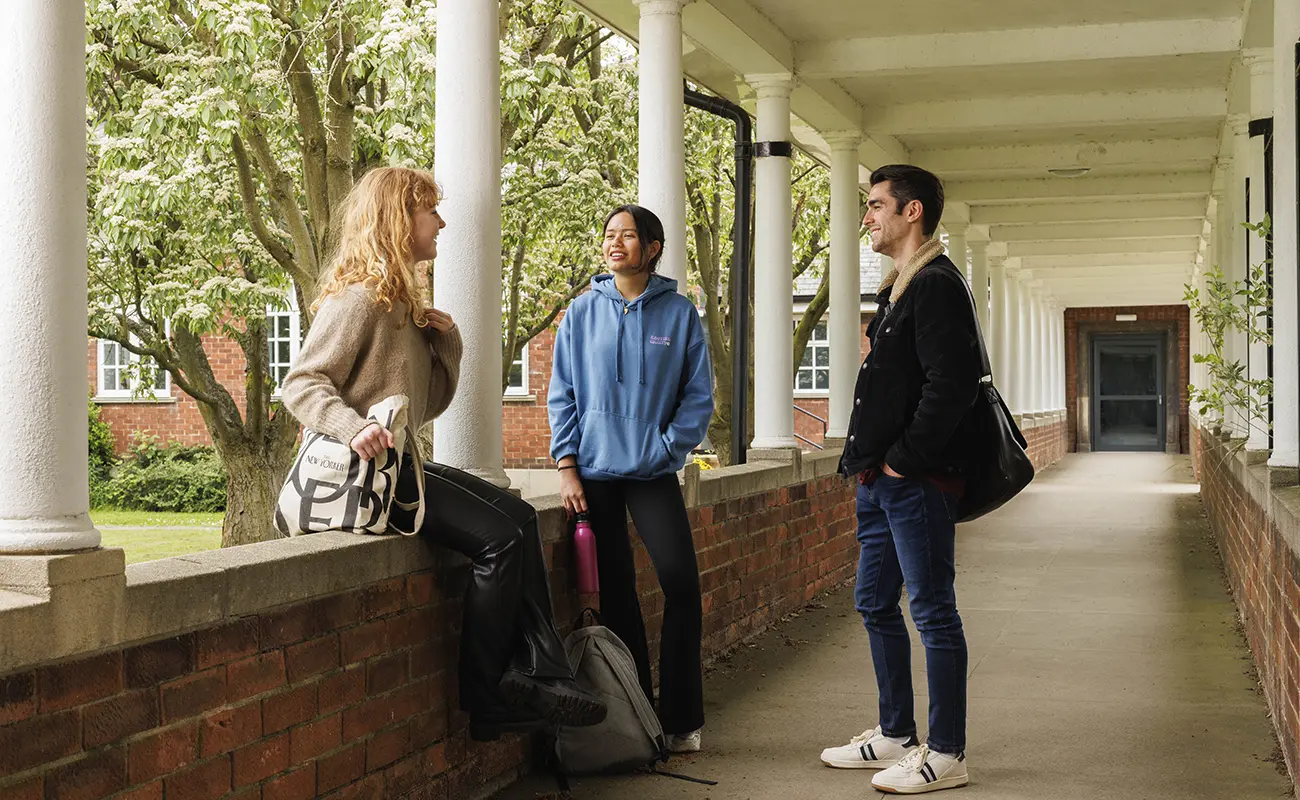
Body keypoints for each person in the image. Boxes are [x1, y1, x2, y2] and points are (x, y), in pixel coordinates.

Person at [281, 166, 605, 743]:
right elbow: (302, 384)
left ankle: (542, 671)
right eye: (430, 210)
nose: (442, 222)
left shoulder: (401, 304)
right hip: (369, 479)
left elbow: (425, 407)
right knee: (498, 540)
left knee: (521, 516)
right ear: (399, 219)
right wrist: (353, 427)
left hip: (400, 467)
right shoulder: (361, 299)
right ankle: (486, 697)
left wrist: (444, 343)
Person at [820, 165, 981, 794]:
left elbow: (952, 384)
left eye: (877, 206)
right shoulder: (900, 287)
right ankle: (895, 734)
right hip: (880, 480)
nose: (868, 217)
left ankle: (946, 753)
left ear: (912, 212)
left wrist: (903, 459)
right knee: (874, 602)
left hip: (914, 480)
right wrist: (877, 468)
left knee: (933, 612)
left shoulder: (936, 284)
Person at [547, 204, 714, 753]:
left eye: (628, 236)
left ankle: (682, 718)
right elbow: (562, 396)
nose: (615, 243)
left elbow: (697, 397)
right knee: (618, 596)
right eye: (609, 234)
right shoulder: (579, 314)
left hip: (652, 471)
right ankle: (640, 713)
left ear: (653, 247)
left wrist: (667, 449)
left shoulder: (680, 314)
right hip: (593, 474)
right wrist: (568, 467)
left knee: (681, 585)